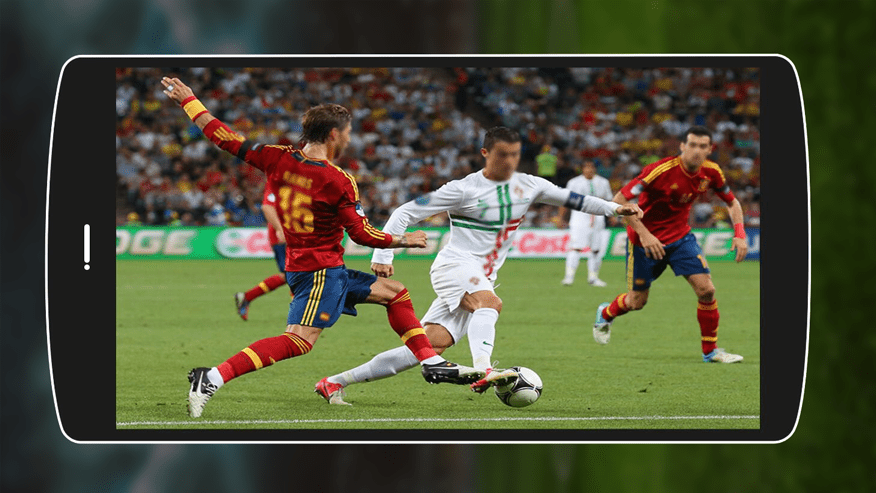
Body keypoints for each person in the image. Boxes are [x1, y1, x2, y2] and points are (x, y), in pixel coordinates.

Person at [160, 76, 484, 418]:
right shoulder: (337, 179)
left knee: (395, 292)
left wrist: (189, 101)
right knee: (299, 340)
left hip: (315, 267)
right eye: (347, 132)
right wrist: (403, 239)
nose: (349, 138)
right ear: (333, 135)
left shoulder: (277, 158)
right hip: (320, 273)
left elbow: (224, 137)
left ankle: (431, 361)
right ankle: (212, 377)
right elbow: (361, 234)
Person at [315, 127, 642, 405]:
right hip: (454, 266)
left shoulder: (530, 185)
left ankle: (335, 382)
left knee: (428, 345)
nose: (509, 161)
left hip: (482, 274)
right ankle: (486, 369)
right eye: (502, 155)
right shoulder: (462, 189)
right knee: (490, 303)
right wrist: (384, 256)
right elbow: (405, 212)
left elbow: (576, 200)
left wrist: (615, 209)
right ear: (486, 153)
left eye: (515, 154)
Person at [592, 126, 748, 363]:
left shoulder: (712, 172)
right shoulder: (660, 170)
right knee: (636, 302)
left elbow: (732, 202)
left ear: (710, 149)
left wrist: (740, 233)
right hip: (644, 243)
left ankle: (710, 352)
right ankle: (605, 313)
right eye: (692, 145)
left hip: (680, 239)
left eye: (702, 146)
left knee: (707, 290)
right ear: (682, 146)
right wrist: (644, 234)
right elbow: (619, 200)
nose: (696, 151)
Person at [233, 179, 290, 321]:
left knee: (293, 275)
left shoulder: (294, 180)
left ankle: (247, 297)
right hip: (283, 236)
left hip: (292, 234)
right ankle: (300, 315)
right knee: (294, 275)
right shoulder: (278, 181)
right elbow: (268, 207)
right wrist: (280, 229)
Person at [560, 160, 614, 287]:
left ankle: (593, 278)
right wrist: (561, 218)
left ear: (595, 169)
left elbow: (609, 200)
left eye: (591, 167)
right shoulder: (574, 182)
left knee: (596, 249)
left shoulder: (603, 182)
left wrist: (612, 216)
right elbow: (565, 200)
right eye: (586, 167)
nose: (589, 170)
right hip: (579, 216)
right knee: (576, 247)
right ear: (582, 169)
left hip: (598, 216)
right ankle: (569, 277)